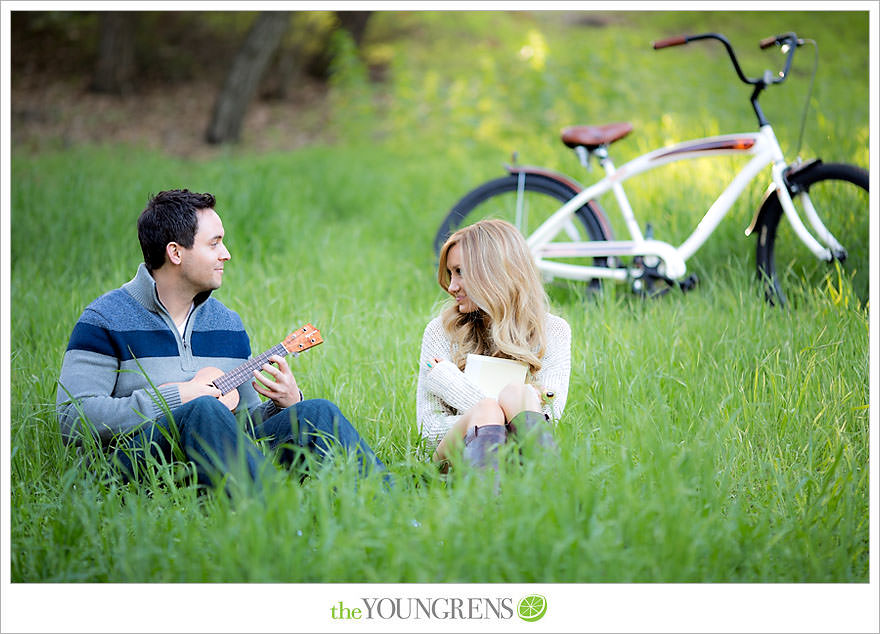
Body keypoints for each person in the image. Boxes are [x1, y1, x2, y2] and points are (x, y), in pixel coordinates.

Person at [56, 189, 388, 491]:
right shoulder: (104, 319)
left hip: (217, 464)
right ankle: (279, 521)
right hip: (135, 470)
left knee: (318, 412)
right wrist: (174, 398)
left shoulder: (227, 324)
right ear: (175, 253)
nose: (226, 254)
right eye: (214, 244)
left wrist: (284, 401)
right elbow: (72, 418)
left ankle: (389, 508)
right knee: (201, 410)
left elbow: (239, 423)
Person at [416, 219, 571, 470]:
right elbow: (428, 434)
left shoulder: (554, 331)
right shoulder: (440, 331)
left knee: (514, 394)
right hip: (452, 465)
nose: (452, 286)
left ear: (493, 273)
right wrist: (489, 412)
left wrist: (452, 384)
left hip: (522, 463)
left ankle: (544, 488)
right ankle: (487, 502)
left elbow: (549, 422)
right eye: (450, 273)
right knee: (508, 401)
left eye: (461, 272)